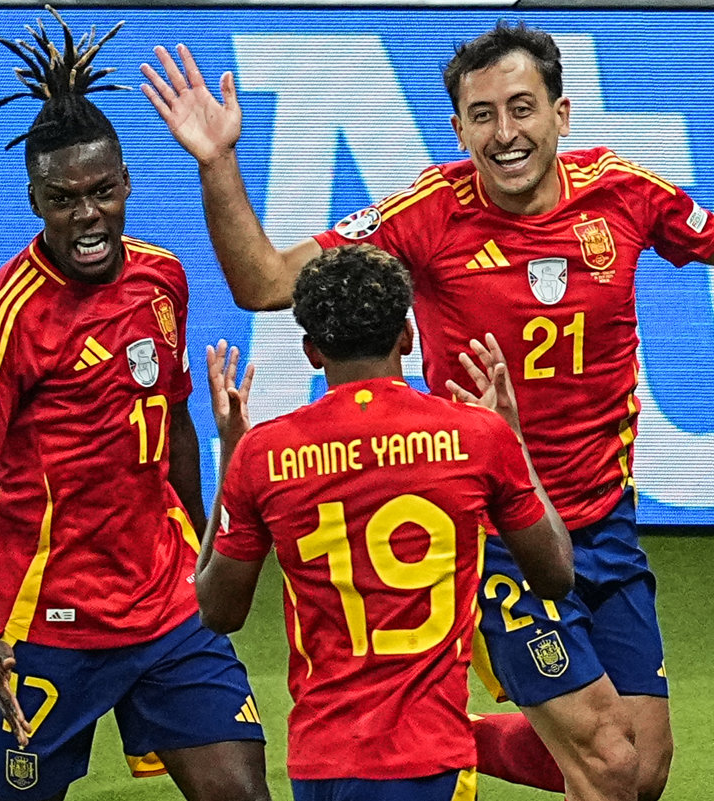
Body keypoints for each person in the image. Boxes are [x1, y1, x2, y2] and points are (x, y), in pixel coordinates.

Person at [140, 22, 714, 801]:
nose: (504, 132)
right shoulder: (426, 213)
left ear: (560, 113)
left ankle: (448, 735)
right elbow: (265, 281)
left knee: (643, 767)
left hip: (604, 519)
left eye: (521, 108)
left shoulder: (622, 192)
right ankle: (432, 739)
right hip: (497, 528)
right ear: (459, 129)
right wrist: (217, 161)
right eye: (482, 116)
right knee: (607, 764)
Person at [0, 9, 269, 801]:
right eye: (63, 199)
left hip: (166, 602)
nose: (87, 215)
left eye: (100, 192)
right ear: (35, 200)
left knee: (242, 791)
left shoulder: (162, 278)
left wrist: (203, 550)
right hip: (45, 622)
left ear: (126, 184)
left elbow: (174, 422)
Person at [194, 243, 575, 801]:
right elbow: (557, 575)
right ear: (408, 336)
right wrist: (514, 439)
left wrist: (232, 455)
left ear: (311, 351)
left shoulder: (265, 454)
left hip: (324, 761)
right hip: (431, 757)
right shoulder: (478, 437)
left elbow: (217, 612)